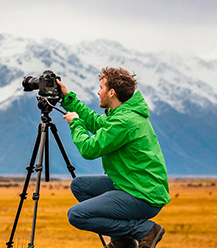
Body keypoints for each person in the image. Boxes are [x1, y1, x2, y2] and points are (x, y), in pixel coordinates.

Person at [56, 67, 169, 248]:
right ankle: (122, 240)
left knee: (76, 215)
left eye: (101, 87)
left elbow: (89, 149)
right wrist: (67, 98)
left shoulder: (124, 121)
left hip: (142, 195)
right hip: (131, 184)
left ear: (112, 92)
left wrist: (76, 123)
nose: (98, 92)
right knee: (80, 186)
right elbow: (96, 123)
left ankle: (144, 230)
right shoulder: (123, 115)